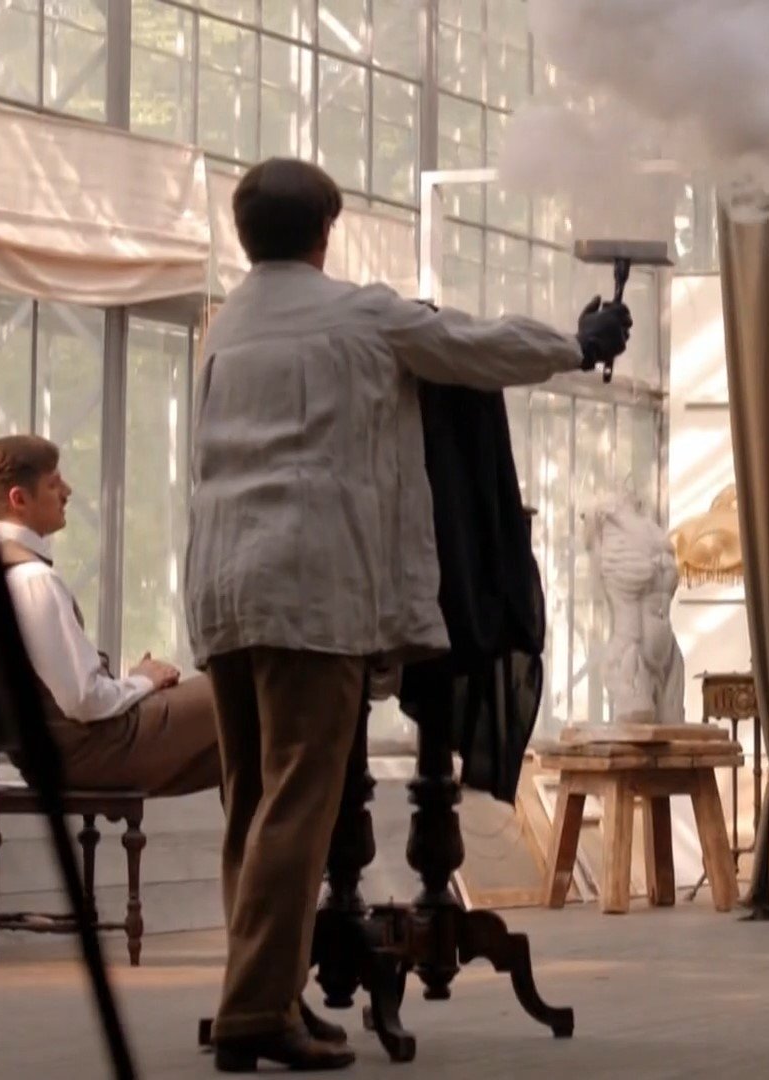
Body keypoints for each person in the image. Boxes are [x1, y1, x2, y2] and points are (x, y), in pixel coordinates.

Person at [187, 157, 632, 1072]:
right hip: (310, 590)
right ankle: (254, 1014)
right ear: (325, 234)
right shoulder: (357, 314)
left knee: (252, 805)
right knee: (299, 803)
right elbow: (474, 347)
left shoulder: (227, 325)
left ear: (245, 233)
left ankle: (266, 992)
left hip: (224, 585)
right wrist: (577, 344)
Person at [0, 435, 221, 798]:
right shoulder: (32, 580)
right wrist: (143, 681)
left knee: (247, 741)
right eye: (54, 484)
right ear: (19, 499)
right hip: (91, 750)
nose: (67, 492)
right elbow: (84, 700)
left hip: (57, 756)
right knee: (244, 688)